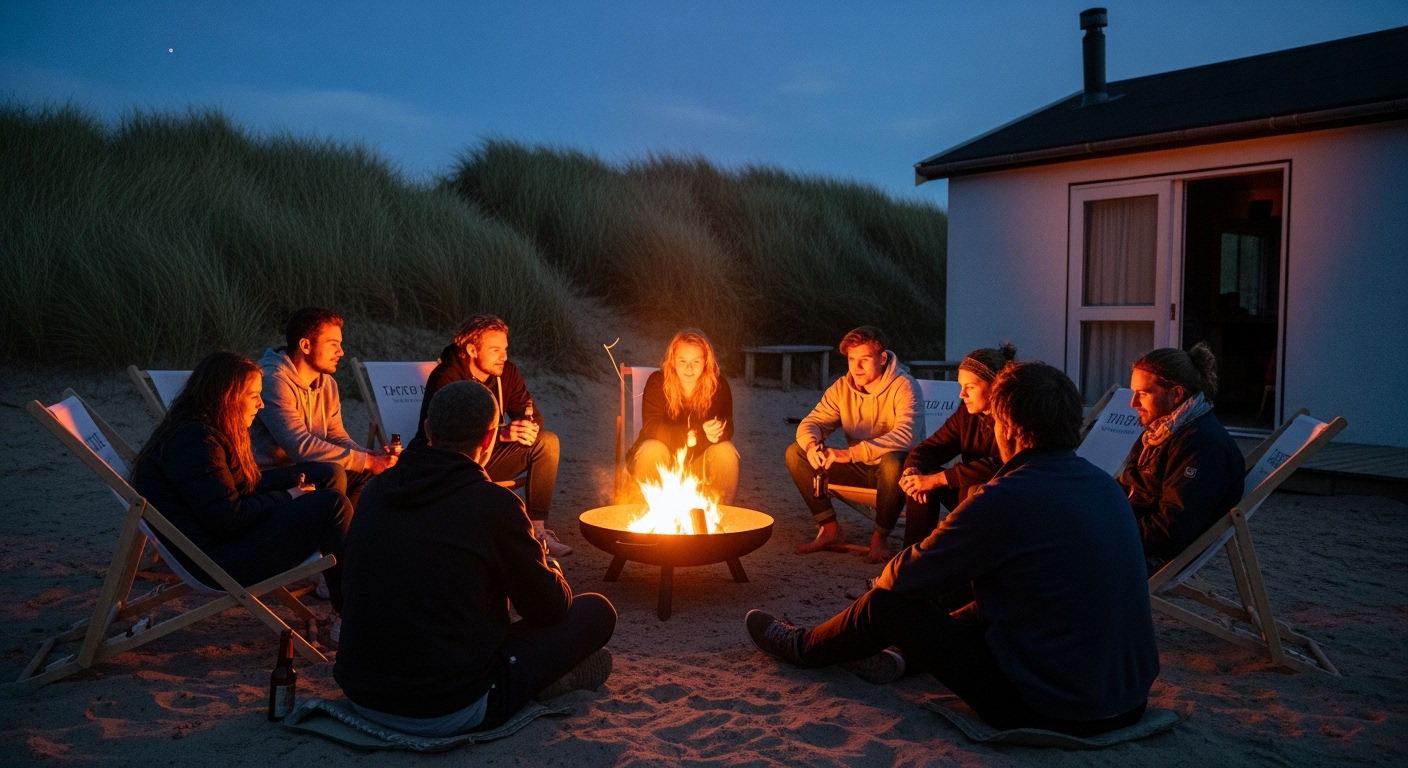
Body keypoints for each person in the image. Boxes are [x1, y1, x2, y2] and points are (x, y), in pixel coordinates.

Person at [746, 362, 1159, 736]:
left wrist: (902, 590)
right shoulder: (1106, 487)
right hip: (1128, 701)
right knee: (992, 588)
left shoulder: (1006, 497)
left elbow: (901, 577)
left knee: (886, 606)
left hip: (1047, 707)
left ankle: (802, 646)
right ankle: (902, 657)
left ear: (1008, 428)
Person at [335, 380, 617, 736]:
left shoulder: (375, 490)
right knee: (596, 612)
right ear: (488, 440)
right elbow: (548, 609)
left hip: (362, 692)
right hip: (446, 705)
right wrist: (549, 564)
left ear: (427, 430)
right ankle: (547, 683)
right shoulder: (493, 504)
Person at [132, 351, 352, 632]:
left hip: (225, 537)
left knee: (327, 472)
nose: (261, 404)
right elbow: (228, 518)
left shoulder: (205, 428)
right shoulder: (195, 441)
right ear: (228, 397)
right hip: (217, 562)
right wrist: (289, 497)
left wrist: (290, 489)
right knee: (331, 505)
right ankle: (350, 613)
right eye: (253, 396)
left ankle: (339, 580)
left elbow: (233, 491)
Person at [409, 314, 567, 556]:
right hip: (445, 465)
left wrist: (527, 425)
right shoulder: (446, 377)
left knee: (546, 442)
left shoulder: (508, 373)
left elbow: (532, 414)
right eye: (495, 350)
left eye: (505, 349)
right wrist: (501, 435)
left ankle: (538, 530)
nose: (504, 356)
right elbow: (450, 436)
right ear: (472, 349)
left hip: (486, 457)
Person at [786, 326, 924, 564]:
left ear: (882, 358)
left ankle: (880, 537)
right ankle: (829, 528)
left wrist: (851, 454)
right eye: (851, 359)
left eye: (864, 359)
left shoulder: (904, 386)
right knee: (795, 452)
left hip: (898, 474)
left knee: (893, 459)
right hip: (860, 469)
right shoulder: (842, 388)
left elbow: (907, 435)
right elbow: (813, 422)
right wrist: (812, 446)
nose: (856, 367)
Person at [250, 307, 396, 506]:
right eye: (333, 344)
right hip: (267, 475)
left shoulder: (327, 383)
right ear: (306, 345)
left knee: (365, 474)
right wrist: (367, 461)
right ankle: (324, 530)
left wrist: (368, 456)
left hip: (308, 468)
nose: (341, 352)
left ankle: (348, 533)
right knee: (332, 472)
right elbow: (300, 447)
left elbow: (336, 436)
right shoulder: (273, 380)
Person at [1119, 342, 1245, 569]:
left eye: (1142, 394)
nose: (1133, 403)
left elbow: (1171, 529)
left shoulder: (1201, 446)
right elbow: (1133, 485)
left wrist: (1106, 526)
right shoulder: (1162, 430)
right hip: (1130, 529)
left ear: (1176, 393)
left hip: (1149, 554)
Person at [898, 342, 1015, 548]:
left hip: (1005, 501)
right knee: (919, 482)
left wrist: (938, 479)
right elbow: (931, 447)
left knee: (958, 486)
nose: (962, 394)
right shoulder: (966, 415)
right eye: (961, 386)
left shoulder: (1013, 417)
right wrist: (914, 470)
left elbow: (1001, 465)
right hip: (968, 494)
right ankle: (911, 559)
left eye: (970, 387)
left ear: (995, 385)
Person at [627, 329, 739, 504]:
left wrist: (718, 430)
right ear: (672, 361)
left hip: (697, 464)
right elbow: (651, 427)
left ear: (705, 362)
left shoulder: (718, 386)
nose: (689, 368)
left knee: (725, 451)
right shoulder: (657, 382)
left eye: (696, 361)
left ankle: (718, 522)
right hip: (659, 461)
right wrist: (691, 436)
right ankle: (649, 521)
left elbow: (728, 425)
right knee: (652, 449)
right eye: (682, 361)